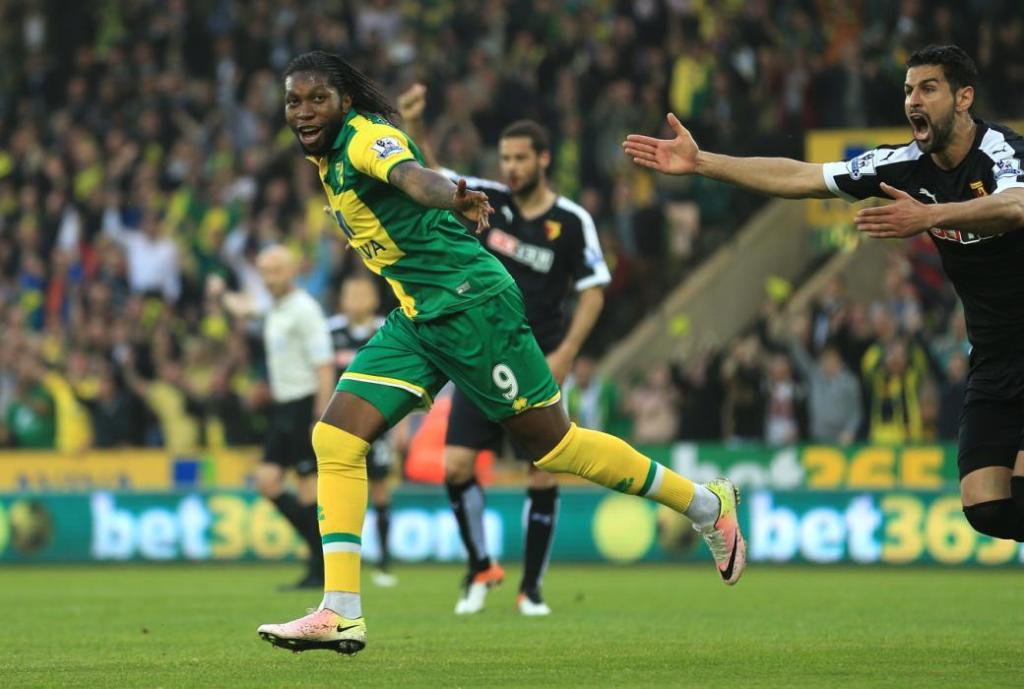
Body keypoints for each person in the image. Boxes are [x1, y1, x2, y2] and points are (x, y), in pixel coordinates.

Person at [258, 50, 744, 656]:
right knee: (334, 439)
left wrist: (452, 193)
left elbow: (413, 176)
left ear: (345, 103)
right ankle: (340, 611)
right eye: (293, 101)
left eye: (316, 99)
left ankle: (704, 504)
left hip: (472, 310)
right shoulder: (329, 156)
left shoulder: (363, 140)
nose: (303, 112)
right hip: (419, 317)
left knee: (556, 447)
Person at [624, 44, 1024, 543]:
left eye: (928, 88)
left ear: (964, 97)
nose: (913, 101)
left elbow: (1015, 206)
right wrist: (703, 161)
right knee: (985, 507)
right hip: (993, 356)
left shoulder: (1000, 151)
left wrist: (931, 216)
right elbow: (802, 176)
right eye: (907, 90)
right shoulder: (901, 166)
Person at [399, 84, 610, 617]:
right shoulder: (490, 198)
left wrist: (565, 355)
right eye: (505, 159)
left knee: (544, 468)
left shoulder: (571, 221)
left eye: (520, 158)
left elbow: (594, 290)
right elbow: (436, 174)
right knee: (456, 466)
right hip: (479, 356)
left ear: (543, 159)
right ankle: (480, 568)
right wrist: (416, 126)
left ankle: (531, 589)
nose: (511, 168)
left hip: (538, 358)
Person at [210, 246, 336, 590]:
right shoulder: (275, 308)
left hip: (305, 405)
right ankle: (318, 558)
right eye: (264, 272)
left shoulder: (305, 310)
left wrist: (319, 416)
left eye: (276, 270)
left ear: (293, 271)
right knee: (268, 482)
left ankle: (321, 570)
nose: (269, 278)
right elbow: (244, 307)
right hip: (283, 407)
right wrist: (221, 292)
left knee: (309, 492)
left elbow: (324, 366)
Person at [327, 274, 398, 588]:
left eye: (362, 292)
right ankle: (334, 563)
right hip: (339, 424)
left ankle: (383, 562)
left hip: (378, 423)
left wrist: (404, 424)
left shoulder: (388, 329)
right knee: (336, 488)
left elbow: (401, 381)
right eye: (350, 292)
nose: (356, 298)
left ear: (373, 298)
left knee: (380, 488)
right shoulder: (330, 332)